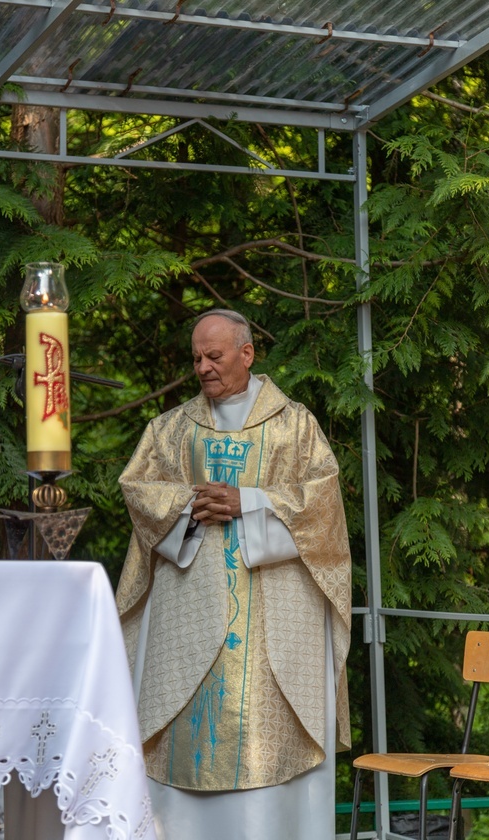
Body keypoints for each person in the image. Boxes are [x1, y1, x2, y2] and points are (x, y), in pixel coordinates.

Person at [117, 309, 351, 840]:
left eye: (214, 356)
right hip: (188, 610)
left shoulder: (295, 426)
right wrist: (188, 505)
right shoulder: (172, 429)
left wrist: (247, 502)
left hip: (274, 616)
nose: (202, 367)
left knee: (267, 742)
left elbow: (323, 506)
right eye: (196, 357)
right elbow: (139, 489)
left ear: (246, 354)